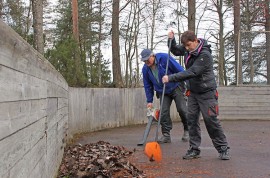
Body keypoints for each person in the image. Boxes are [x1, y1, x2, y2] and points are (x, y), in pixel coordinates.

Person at [162, 30, 230, 160]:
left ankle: (223, 148)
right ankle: (194, 149)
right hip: (193, 92)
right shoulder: (190, 49)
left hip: (207, 92)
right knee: (191, 120)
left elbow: (192, 72)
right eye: (185, 46)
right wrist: (171, 40)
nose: (187, 49)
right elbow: (176, 51)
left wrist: (171, 78)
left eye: (188, 45)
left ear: (195, 41)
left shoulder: (205, 55)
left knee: (211, 120)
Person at [140, 48, 189, 143]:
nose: (146, 62)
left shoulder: (164, 58)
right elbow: (147, 85)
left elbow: (180, 70)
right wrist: (149, 101)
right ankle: (166, 135)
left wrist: (189, 84)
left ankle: (188, 130)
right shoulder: (145, 69)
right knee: (163, 112)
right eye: (144, 60)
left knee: (182, 109)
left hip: (176, 86)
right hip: (162, 91)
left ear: (152, 55)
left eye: (147, 59)